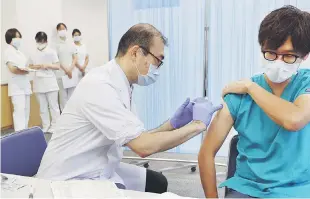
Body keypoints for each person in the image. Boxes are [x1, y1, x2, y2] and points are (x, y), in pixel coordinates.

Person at [36, 23, 222, 194]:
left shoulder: (124, 84)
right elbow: (142, 147)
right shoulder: (100, 85)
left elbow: (132, 138)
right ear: (135, 53)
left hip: (99, 165)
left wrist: (173, 124)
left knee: (157, 182)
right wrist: (197, 125)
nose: (158, 68)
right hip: (68, 179)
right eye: (158, 60)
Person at [198, 6, 310, 198]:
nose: (277, 61)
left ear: (305, 55)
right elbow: (206, 153)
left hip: (298, 190)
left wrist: (251, 88)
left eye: (288, 55)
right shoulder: (238, 96)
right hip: (247, 189)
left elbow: (294, 119)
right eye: (270, 53)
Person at [28, 32, 60, 133]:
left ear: (46, 41)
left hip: (50, 82)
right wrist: (36, 66)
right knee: (42, 107)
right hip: (38, 82)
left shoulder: (51, 51)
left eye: (42, 41)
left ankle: (56, 126)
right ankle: (46, 126)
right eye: (38, 41)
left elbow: (57, 66)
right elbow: (29, 65)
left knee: (53, 106)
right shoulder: (33, 53)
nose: (40, 43)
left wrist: (47, 65)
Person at [4, 28, 32, 131]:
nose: (19, 39)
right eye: (17, 36)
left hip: (25, 86)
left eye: (20, 37)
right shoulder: (8, 52)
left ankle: (25, 134)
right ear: (11, 38)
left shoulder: (19, 52)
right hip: (17, 88)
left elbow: (24, 66)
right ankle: (20, 137)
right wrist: (25, 71)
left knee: (26, 112)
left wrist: (28, 69)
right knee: (19, 113)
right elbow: (12, 69)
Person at [54, 23, 78, 111]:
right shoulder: (56, 45)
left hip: (71, 73)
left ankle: (72, 117)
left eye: (64, 28)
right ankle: (65, 119)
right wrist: (66, 70)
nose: (62, 31)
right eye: (60, 29)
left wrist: (70, 69)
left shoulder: (71, 44)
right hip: (61, 74)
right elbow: (57, 60)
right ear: (57, 31)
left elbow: (75, 57)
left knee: (72, 97)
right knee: (63, 98)